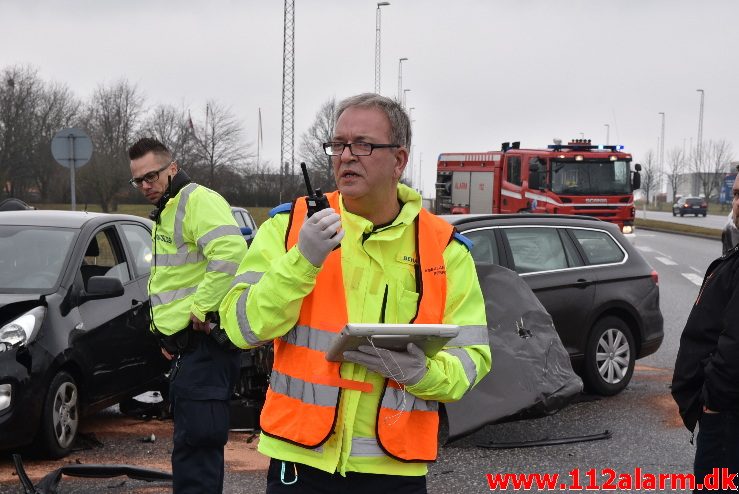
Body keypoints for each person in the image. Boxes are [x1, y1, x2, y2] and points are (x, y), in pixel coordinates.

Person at [220, 93, 490, 493]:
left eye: (362, 144)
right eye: (338, 145)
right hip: (299, 460)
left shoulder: (445, 248)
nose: (346, 156)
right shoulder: (290, 226)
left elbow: (473, 358)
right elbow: (242, 327)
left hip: (393, 469)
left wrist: (424, 374)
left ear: (399, 160)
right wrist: (302, 260)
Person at [128, 137, 247, 493]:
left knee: (197, 455)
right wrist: (168, 335)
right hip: (187, 350)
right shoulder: (169, 206)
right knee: (190, 453)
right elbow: (174, 278)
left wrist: (198, 309)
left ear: (173, 168)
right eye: (138, 180)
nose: (145, 185)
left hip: (204, 350)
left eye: (151, 176)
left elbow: (231, 253)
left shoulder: (197, 201)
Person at [671, 173, 739, 493]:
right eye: (736, 195)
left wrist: (714, 401)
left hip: (727, 416)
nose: (737, 205)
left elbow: (735, 343)